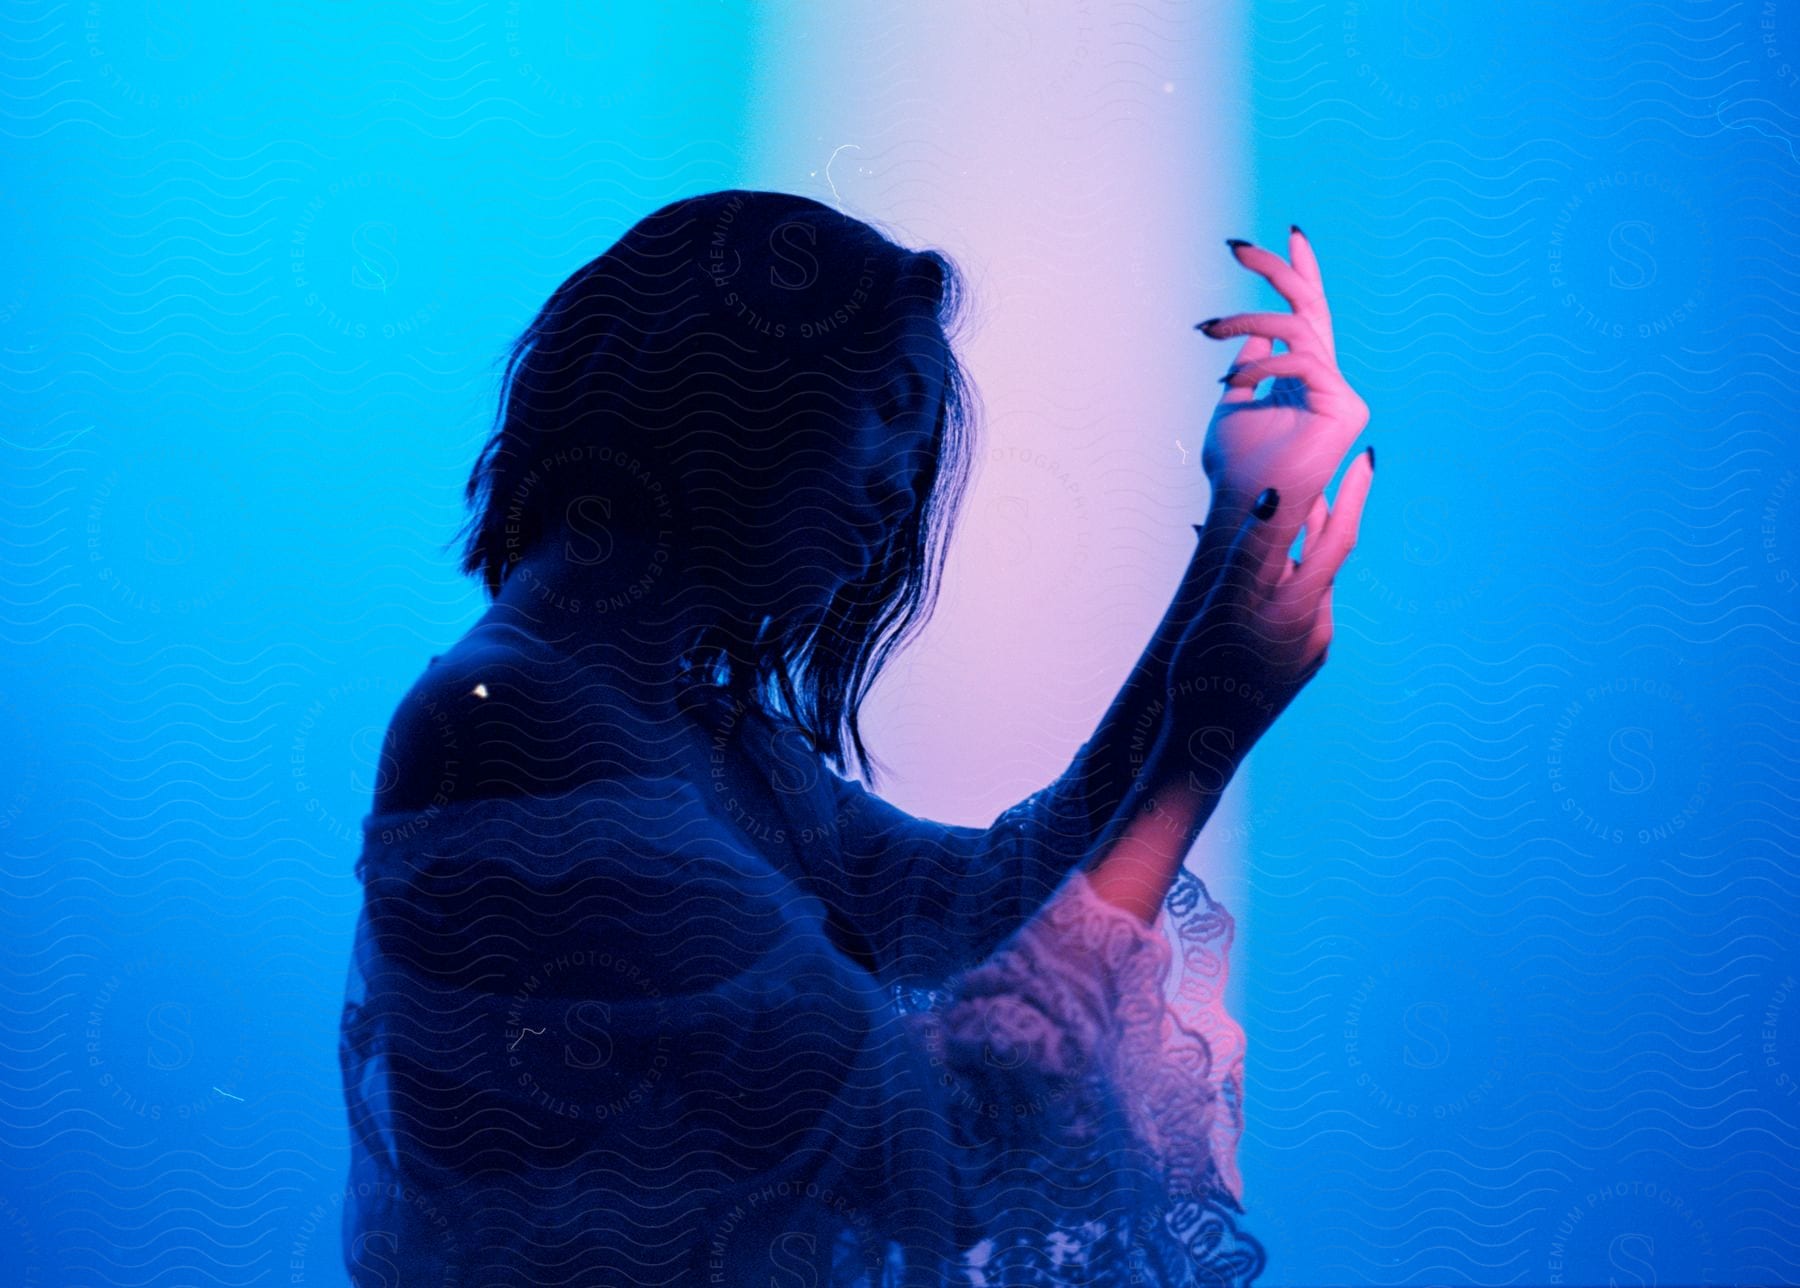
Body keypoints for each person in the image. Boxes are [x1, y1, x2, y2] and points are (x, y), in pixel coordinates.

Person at [336, 190, 1373, 1287]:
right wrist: (1199, 745)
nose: (901, 481)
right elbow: (947, 1143)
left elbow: (984, 898)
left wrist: (1237, 532)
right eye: (882, 406)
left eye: (918, 437)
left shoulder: (690, 727)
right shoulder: (513, 722)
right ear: (724, 372)